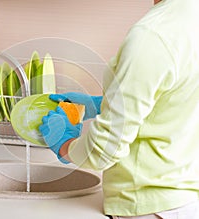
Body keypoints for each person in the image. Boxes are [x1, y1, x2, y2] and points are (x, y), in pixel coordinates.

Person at [39, 0, 199, 218]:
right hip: (186, 202)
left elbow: (106, 149)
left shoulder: (153, 35)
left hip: (147, 206)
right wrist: (103, 105)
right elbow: (177, 102)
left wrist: (65, 144)